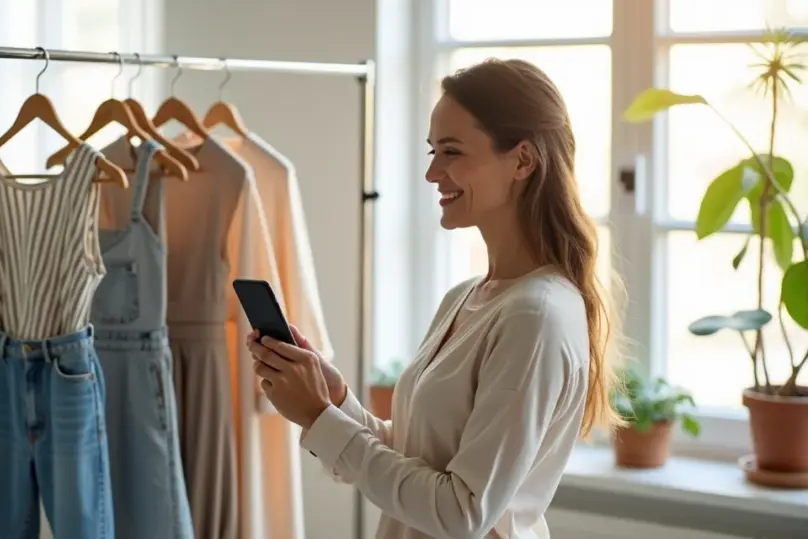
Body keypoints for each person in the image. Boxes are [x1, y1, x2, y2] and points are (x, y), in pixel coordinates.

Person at [246, 58, 624, 539]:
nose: (432, 173)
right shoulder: (467, 297)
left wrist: (320, 419)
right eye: (432, 151)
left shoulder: (536, 316)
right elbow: (418, 459)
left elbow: (461, 513)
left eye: (451, 151)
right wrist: (335, 402)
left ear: (523, 161)